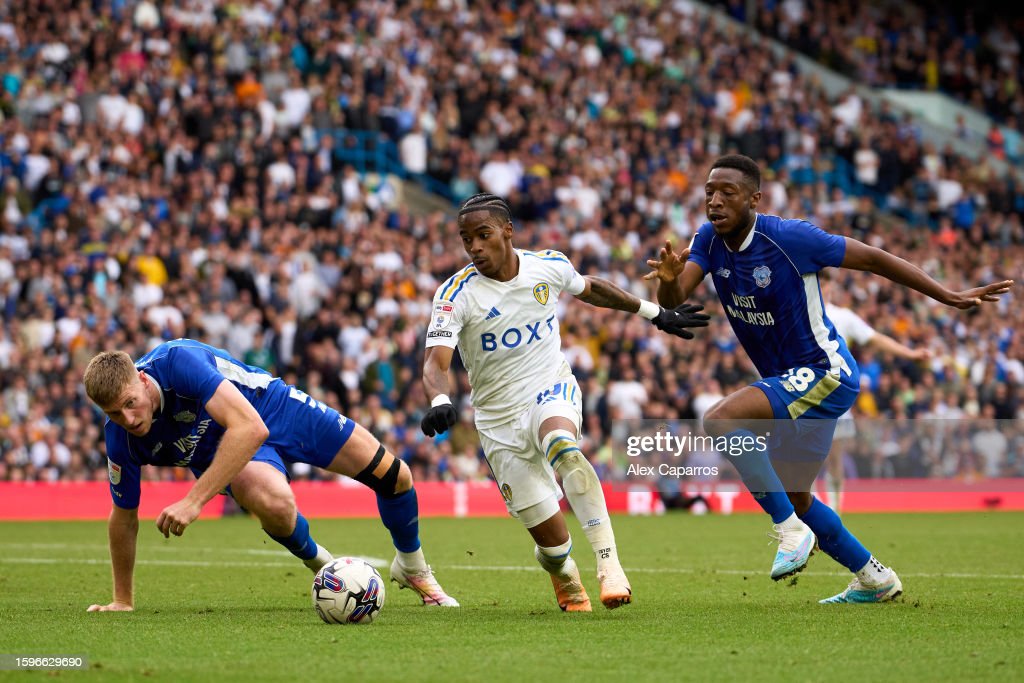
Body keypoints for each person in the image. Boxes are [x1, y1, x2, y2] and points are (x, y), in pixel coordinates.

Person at [645, 154, 1012, 603]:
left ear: (755, 199)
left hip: (825, 373)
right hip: (793, 383)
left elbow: (874, 259)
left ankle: (789, 532)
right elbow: (676, 293)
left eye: (727, 193)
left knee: (720, 420)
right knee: (797, 494)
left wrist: (947, 295)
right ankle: (875, 579)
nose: (714, 202)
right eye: (709, 193)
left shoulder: (790, 238)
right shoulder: (708, 240)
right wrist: (665, 281)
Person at [420, 193, 709, 611]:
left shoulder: (547, 266)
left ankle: (610, 565)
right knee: (554, 547)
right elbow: (435, 361)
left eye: (483, 235)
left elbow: (593, 291)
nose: (475, 247)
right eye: (467, 240)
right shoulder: (456, 294)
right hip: (499, 421)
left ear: (508, 231)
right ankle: (564, 574)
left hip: (549, 387)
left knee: (562, 445)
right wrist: (440, 397)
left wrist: (655, 313)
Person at [81, 339, 459, 612]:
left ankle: (412, 566)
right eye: (114, 413)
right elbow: (124, 516)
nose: (128, 419)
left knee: (395, 476)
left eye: (130, 404)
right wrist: (122, 600)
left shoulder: (177, 363)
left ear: (143, 382)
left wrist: (194, 500)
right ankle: (325, 567)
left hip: (271, 407)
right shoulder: (120, 438)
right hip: (229, 452)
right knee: (273, 503)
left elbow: (251, 427)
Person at [822, 290, 932, 512]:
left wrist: (908, 353)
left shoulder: (842, 316)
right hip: (801, 392)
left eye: (823, 284)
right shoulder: (796, 308)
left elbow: (874, 338)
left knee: (834, 457)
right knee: (807, 459)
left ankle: (835, 510)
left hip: (834, 396)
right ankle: (810, 512)